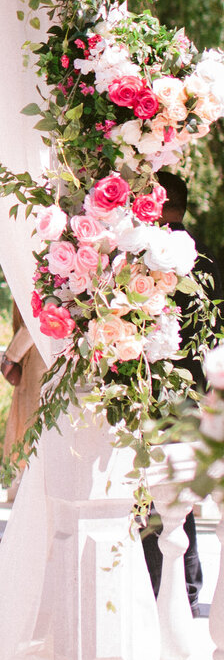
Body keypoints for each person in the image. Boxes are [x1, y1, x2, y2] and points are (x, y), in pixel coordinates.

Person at [141, 172, 224, 614]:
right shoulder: (208, 261)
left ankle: (165, 591)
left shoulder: (145, 260)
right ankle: (186, 590)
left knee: (156, 495)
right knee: (180, 497)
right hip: (195, 393)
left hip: (158, 393)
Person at [0, 301, 46, 503]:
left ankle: (33, 521)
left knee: (36, 437)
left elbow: (40, 314)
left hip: (40, 359)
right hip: (34, 357)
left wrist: (11, 357)